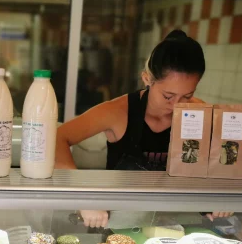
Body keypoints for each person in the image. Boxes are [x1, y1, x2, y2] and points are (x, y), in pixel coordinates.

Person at [55, 29, 231, 228]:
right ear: (147, 79)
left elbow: (217, 160)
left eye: (187, 96)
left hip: (175, 223)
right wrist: (81, 198)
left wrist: (218, 195)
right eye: (168, 96)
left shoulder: (199, 113)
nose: (177, 105)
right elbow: (57, 139)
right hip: (118, 224)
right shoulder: (118, 112)